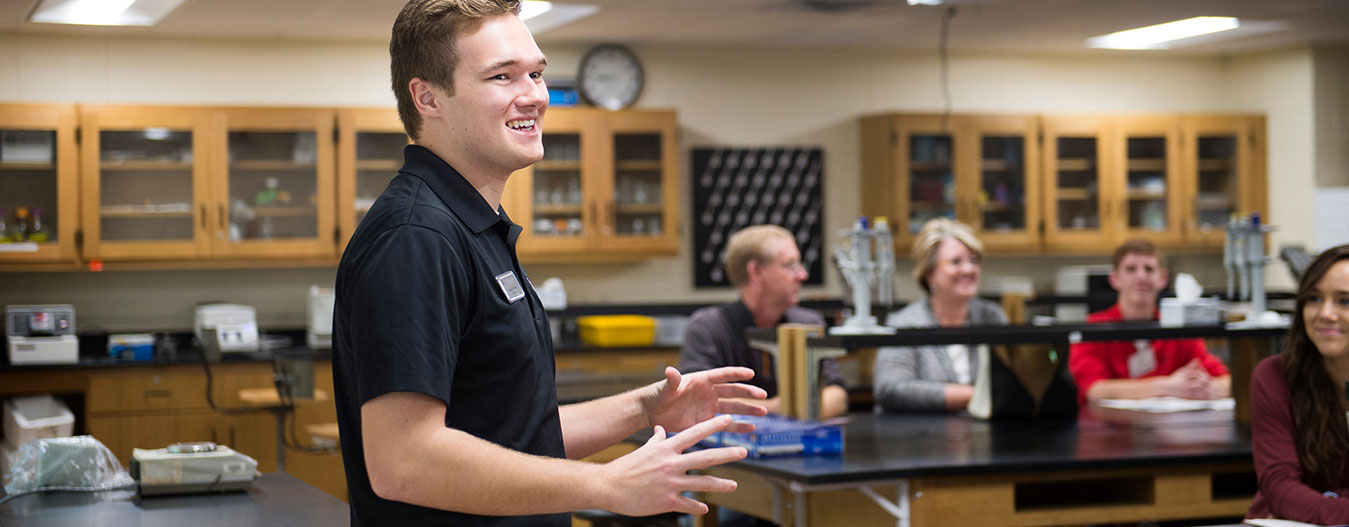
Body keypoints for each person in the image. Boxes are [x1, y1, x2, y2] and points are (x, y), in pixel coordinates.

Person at [331, 2, 767, 525]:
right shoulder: (416, 237)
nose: (535, 95)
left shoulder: (471, 225)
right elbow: (404, 461)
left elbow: (512, 433)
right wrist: (607, 483)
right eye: (502, 76)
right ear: (427, 97)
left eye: (536, 73)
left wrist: (648, 408)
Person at [680, 225, 849, 420]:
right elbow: (698, 400)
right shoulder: (707, 328)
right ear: (755, 272)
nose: (802, 275)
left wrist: (775, 407)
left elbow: (837, 395)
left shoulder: (808, 323)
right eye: (790, 265)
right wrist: (783, 407)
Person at [1248, 244, 1349, 524]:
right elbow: (1280, 489)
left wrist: (1324, 501)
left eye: (1345, 301)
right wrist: (1339, 507)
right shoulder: (1274, 376)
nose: (1325, 313)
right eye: (1314, 299)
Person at [1068, 239, 1230, 405]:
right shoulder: (1094, 328)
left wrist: (1204, 388)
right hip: (1108, 427)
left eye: (1149, 269)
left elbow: (1226, 381)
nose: (1141, 277)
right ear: (1114, 278)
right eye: (1131, 269)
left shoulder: (1178, 328)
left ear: (1163, 278)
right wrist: (1168, 387)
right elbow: (1095, 390)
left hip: (1171, 429)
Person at [874, 218, 1008, 412]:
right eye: (956, 261)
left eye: (973, 260)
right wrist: (974, 395)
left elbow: (1010, 381)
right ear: (929, 274)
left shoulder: (992, 316)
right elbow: (891, 389)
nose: (968, 269)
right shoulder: (905, 322)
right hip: (921, 436)